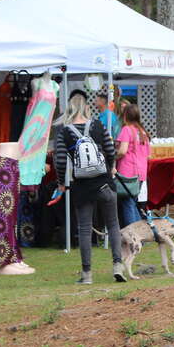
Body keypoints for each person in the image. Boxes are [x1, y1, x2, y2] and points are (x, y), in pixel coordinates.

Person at [55, 89, 126, 284]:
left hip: (82, 186)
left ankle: (87, 274)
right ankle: (117, 265)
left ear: (69, 108)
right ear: (86, 107)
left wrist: (61, 183)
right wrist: (110, 168)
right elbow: (110, 149)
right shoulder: (97, 125)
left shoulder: (64, 131)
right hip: (104, 182)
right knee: (113, 224)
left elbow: (60, 161)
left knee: (85, 229)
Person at [116, 104, 151, 227]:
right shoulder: (143, 132)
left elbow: (122, 151)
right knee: (133, 203)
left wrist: (113, 157)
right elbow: (148, 155)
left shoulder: (126, 129)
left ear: (125, 116)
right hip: (141, 173)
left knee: (128, 204)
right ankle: (140, 231)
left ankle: (134, 233)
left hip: (128, 172)